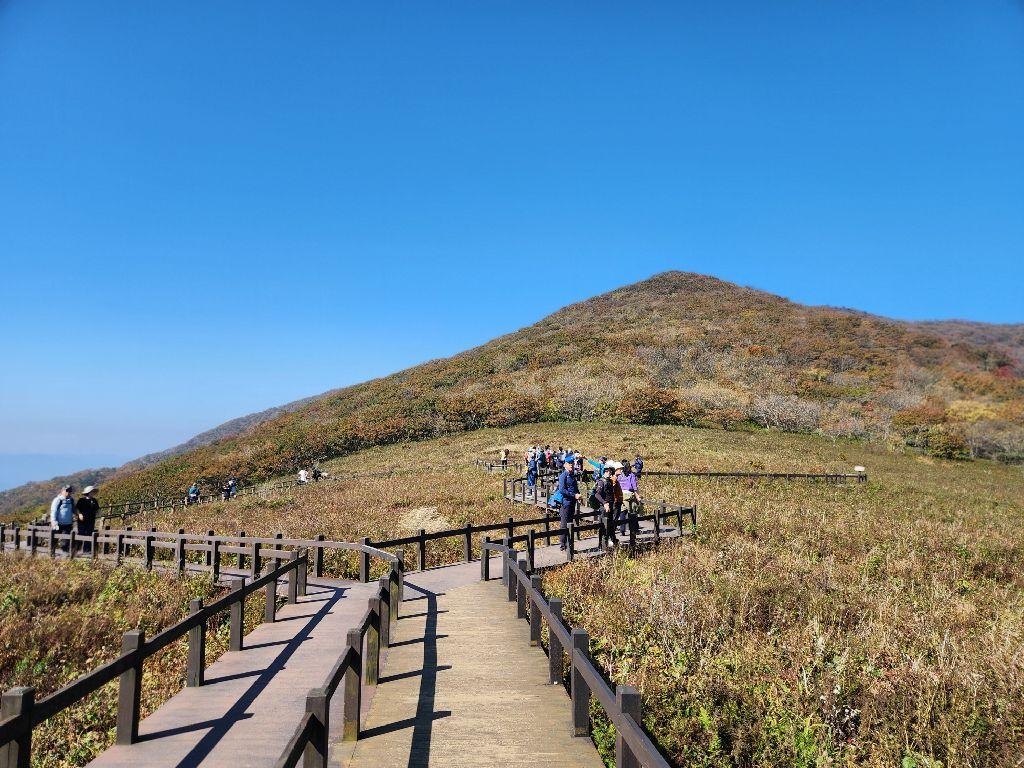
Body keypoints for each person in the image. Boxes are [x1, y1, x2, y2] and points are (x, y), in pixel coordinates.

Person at [556, 462, 581, 551]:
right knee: (564, 524)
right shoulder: (563, 476)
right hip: (565, 503)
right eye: (569, 464)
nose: (571, 465)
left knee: (570, 523)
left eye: (572, 464)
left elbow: (575, 487)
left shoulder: (572, 475)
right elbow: (562, 489)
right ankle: (563, 545)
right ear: (565, 465)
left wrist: (578, 494)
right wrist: (574, 495)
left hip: (572, 502)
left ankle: (569, 545)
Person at [593, 466, 616, 544]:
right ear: (605, 472)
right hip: (604, 506)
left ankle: (610, 540)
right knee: (603, 525)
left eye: (610, 471)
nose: (610, 473)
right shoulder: (601, 481)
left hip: (610, 505)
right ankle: (601, 543)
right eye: (608, 471)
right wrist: (604, 503)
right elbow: (597, 494)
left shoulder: (609, 481)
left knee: (610, 524)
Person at [75, 485, 100, 553]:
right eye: (92, 491)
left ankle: (87, 550)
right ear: (88, 492)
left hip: (91, 520)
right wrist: (79, 514)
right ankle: (77, 549)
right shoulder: (81, 500)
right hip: (82, 521)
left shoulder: (94, 500)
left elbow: (97, 509)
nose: (93, 493)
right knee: (81, 533)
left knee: (89, 534)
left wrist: (98, 514)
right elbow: (77, 509)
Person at [50, 485, 75, 551]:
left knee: (66, 541)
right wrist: (53, 521)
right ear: (62, 491)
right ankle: (52, 554)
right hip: (57, 524)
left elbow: (74, 509)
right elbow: (53, 511)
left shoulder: (71, 500)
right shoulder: (58, 500)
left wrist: (79, 514)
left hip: (68, 524)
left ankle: (65, 556)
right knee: (54, 539)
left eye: (70, 491)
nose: (68, 492)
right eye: (67, 490)